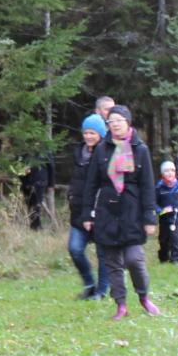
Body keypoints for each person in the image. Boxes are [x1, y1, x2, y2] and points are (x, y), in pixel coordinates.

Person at [82, 105, 160, 320]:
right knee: (113, 263)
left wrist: (149, 217)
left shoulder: (140, 149)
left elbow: (147, 186)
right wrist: (87, 214)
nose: (114, 124)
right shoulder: (101, 149)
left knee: (134, 259)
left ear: (128, 122)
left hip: (132, 211)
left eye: (118, 120)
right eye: (111, 121)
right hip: (106, 212)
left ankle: (144, 297)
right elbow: (91, 184)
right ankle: (121, 305)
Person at [65, 114, 110, 300]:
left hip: (99, 212)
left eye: (92, 133)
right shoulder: (79, 154)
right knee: (75, 248)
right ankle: (89, 285)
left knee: (103, 254)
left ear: (100, 134)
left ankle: (102, 291)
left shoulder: (106, 154)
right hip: (78, 212)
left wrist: (93, 212)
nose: (89, 136)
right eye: (86, 132)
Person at [154, 160, 178, 264]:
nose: (170, 173)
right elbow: (154, 203)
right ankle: (163, 256)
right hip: (164, 217)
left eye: (172, 170)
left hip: (177, 216)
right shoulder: (159, 187)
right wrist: (160, 210)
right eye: (167, 171)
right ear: (162, 173)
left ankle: (176, 258)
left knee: (175, 237)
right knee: (163, 239)